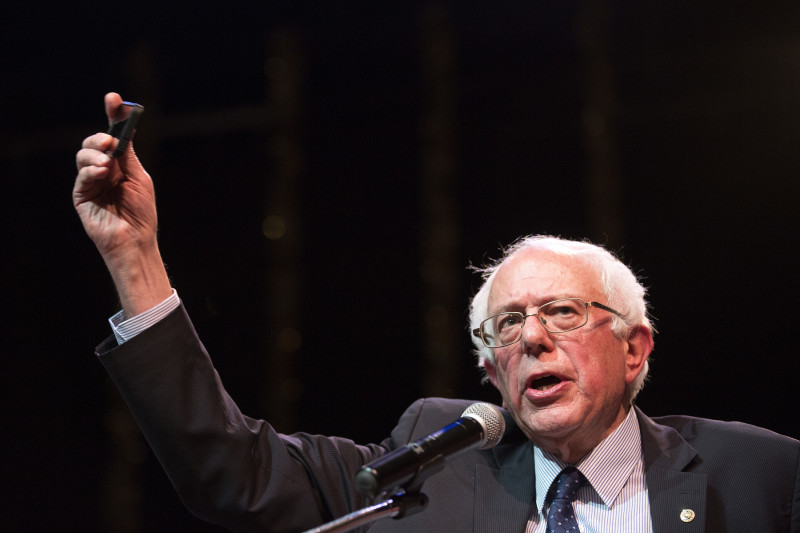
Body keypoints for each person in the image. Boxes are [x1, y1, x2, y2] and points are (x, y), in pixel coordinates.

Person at [75, 93, 800, 532]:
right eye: (508, 325)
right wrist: (135, 258)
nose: (534, 336)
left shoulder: (758, 473)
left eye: (562, 312)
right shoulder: (440, 460)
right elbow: (232, 471)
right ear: (490, 368)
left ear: (635, 347)